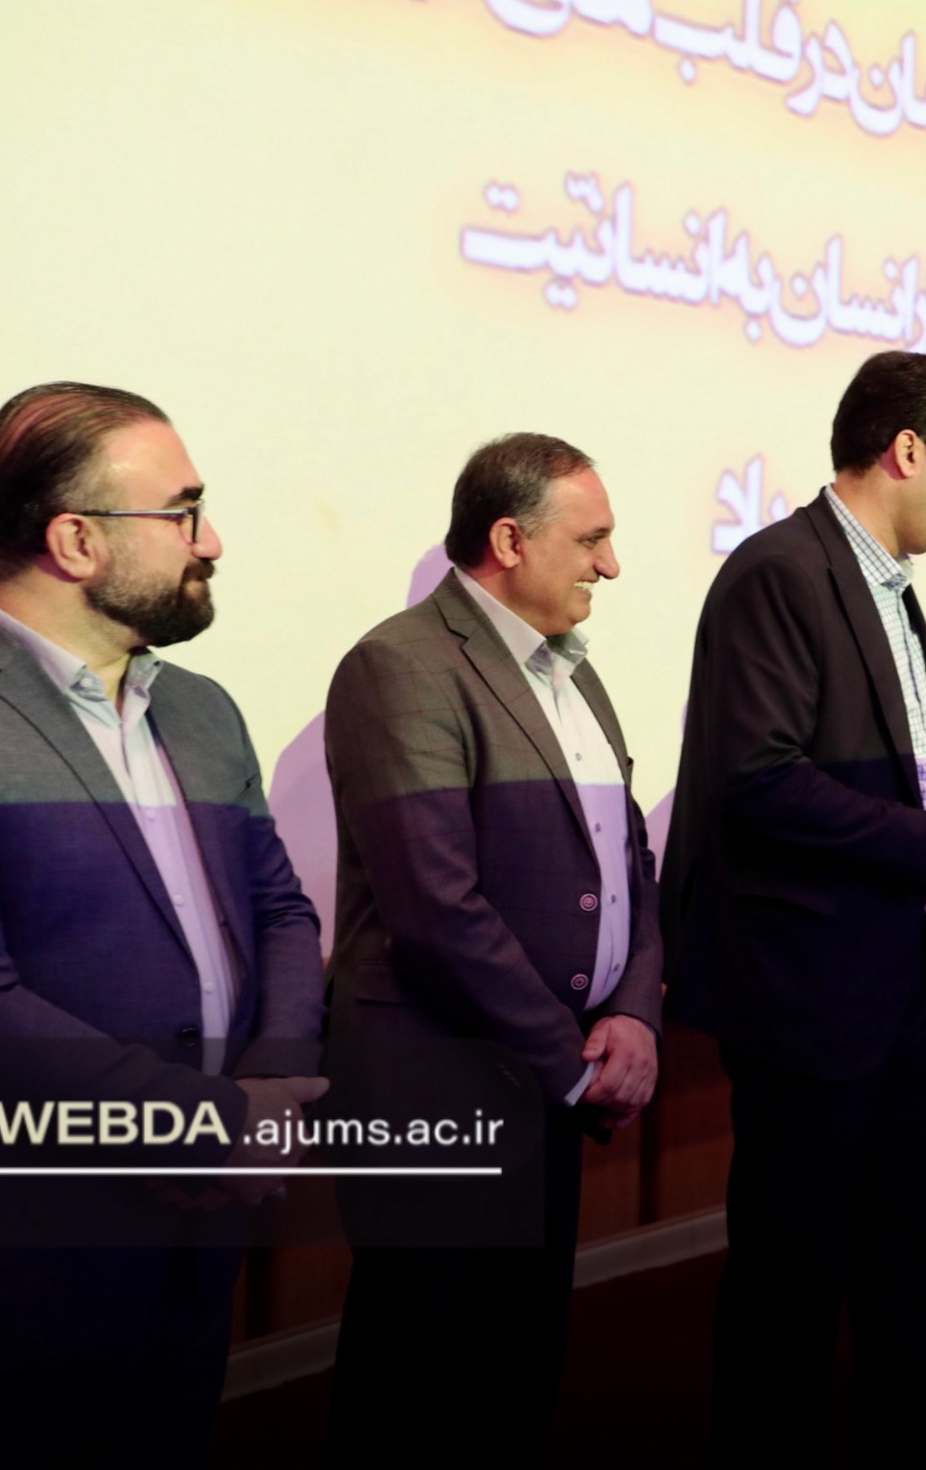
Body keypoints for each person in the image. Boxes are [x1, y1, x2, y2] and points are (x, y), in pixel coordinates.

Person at [0, 383, 326, 1466]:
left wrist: (276, 1084)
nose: (211, 541)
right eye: (184, 512)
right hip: (12, 1291)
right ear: (75, 540)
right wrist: (210, 1123)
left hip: (190, 1263)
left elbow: (280, 911)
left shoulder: (201, 709)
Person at [662, 350, 926, 1466]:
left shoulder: (885, 583)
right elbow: (761, 780)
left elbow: (839, 757)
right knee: (791, 1278)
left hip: (889, 981)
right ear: (905, 449)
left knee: (908, 1250)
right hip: (807, 991)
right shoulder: (780, 571)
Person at [322, 433, 663, 1466]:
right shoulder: (400, 666)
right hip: (439, 1086)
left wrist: (634, 1011)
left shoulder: (576, 675)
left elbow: (630, 862)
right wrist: (576, 1065)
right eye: (591, 540)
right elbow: (437, 909)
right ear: (510, 541)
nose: (611, 565)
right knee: (418, 1386)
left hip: (550, 1082)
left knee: (516, 1370)